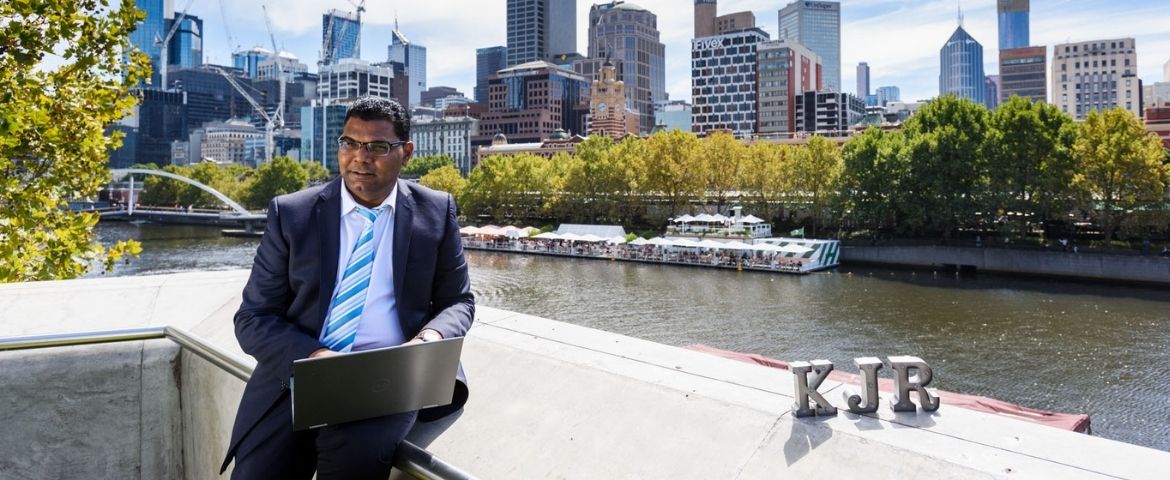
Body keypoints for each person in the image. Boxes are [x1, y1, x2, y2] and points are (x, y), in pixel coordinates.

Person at [220, 97, 475, 479]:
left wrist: (429, 339)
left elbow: (458, 301)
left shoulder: (436, 211)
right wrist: (316, 357)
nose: (360, 157)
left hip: (390, 376)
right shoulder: (291, 213)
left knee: (354, 459)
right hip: (300, 371)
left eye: (377, 147)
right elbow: (253, 318)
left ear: (406, 152)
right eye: (350, 143)